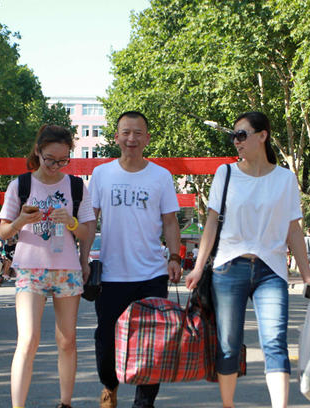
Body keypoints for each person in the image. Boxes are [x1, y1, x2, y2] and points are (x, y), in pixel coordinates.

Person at [185, 111, 310, 408]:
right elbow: (211, 224)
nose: (236, 141)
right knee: (229, 345)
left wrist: (307, 275)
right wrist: (197, 268)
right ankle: (228, 405)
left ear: (262, 136)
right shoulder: (226, 173)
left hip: (271, 271)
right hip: (228, 267)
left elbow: (293, 229)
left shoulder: (285, 179)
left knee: (275, 343)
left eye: (241, 135)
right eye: (233, 136)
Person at [80, 111, 181, 408]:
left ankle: (143, 403)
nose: (131, 138)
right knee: (105, 340)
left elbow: (170, 222)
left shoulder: (161, 176)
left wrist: (175, 257)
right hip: (111, 275)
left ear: (147, 138)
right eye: (126, 132)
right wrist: (82, 260)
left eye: (138, 133)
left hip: (152, 275)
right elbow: (90, 220)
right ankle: (109, 386)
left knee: (151, 343)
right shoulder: (101, 174)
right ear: (116, 137)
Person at [0, 124, 96, 408]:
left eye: (63, 160)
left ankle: (65, 403)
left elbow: (87, 232)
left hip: (67, 270)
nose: (55, 166)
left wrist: (71, 222)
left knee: (67, 340)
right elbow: (3, 231)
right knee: (28, 339)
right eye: (50, 159)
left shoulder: (76, 186)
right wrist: (20, 221)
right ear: (38, 152)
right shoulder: (20, 185)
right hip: (30, 270)